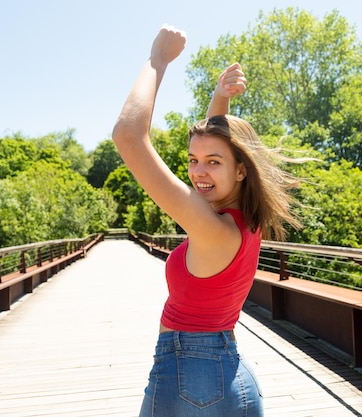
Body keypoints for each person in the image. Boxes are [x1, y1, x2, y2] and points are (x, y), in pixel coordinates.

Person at [112, 24, 302, 417]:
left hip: (189, 378)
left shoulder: (213, 230)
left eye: (212, 163)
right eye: (192, 160)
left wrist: (158, 58)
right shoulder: (243, 218)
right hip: (224, 374)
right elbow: (220, 155)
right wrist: (219, 97)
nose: (198, 172)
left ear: (240, 171)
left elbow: (128, 135)